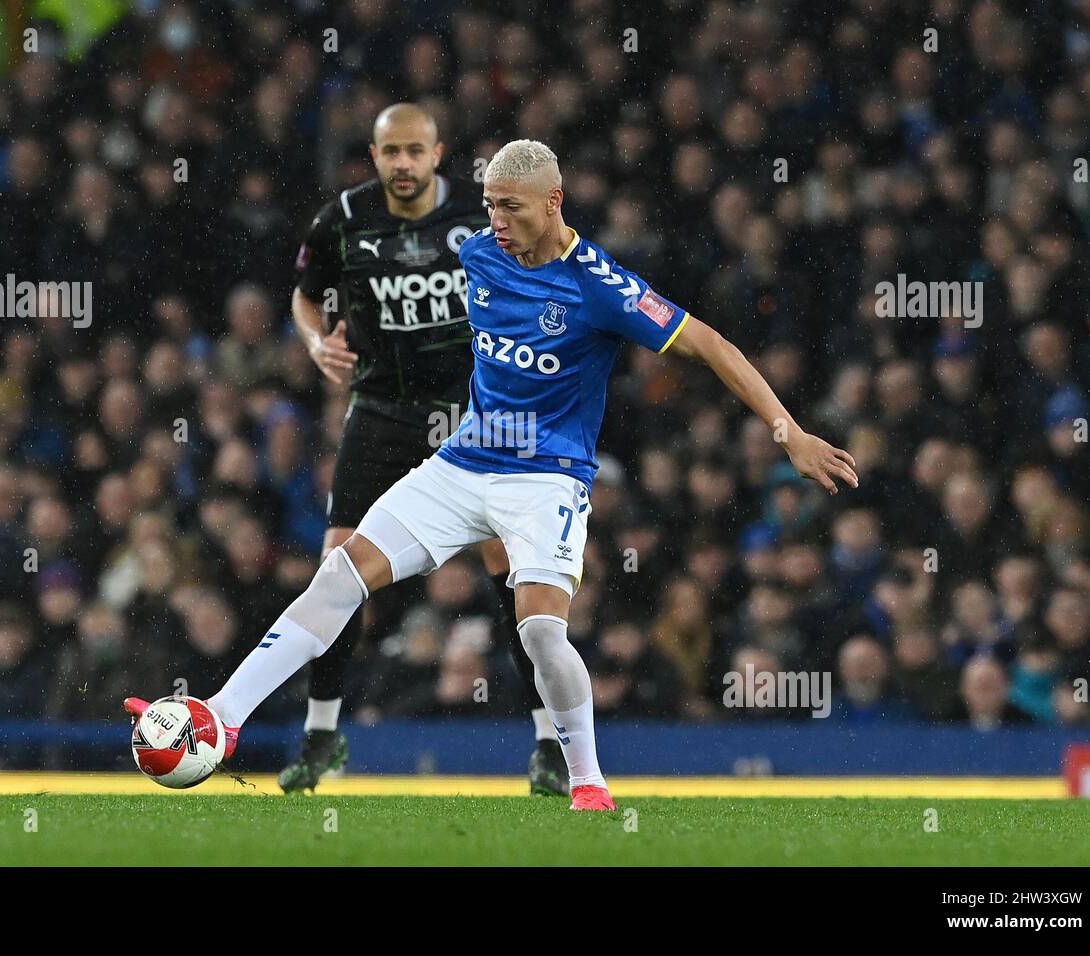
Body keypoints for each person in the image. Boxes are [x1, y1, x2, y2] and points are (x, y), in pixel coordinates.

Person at [126, 139, 857, 810]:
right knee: (340, 574)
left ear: (553, 202)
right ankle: (219, 716)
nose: (496, 220)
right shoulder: (480, 254)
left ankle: (589, 781)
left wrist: (787, 432)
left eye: (511, 206)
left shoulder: (600, 285)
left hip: (547, 481)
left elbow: (712, 343)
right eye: (489, 205)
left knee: (540, 633)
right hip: (464, 462)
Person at [280, 104, 566, 794]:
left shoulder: (481, 215)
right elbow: (304, 294)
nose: (403, 163)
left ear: (438, 154)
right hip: (381, 411)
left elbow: (539, 271)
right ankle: (322, 735)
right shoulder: (344, 219)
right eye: (390, 152)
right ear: (373, 156)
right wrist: (318, 339)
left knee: (509, 563)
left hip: (473, 409)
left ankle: (550, 744)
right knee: (339, 565)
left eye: (415, 151)